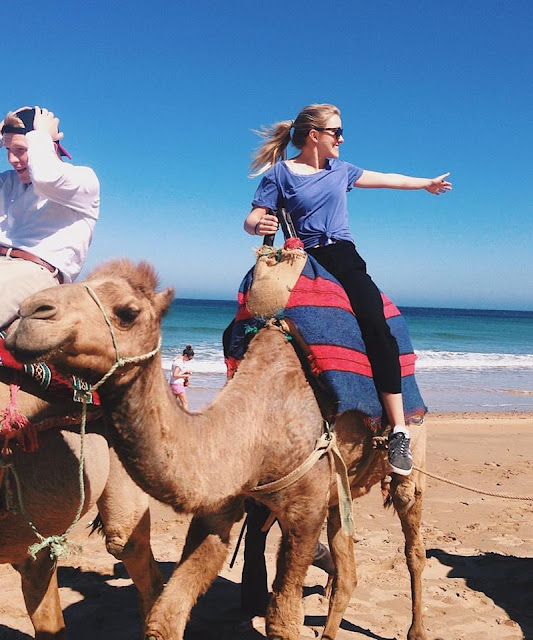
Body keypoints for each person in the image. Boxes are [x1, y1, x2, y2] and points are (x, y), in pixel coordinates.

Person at [244, 103, 452, 476]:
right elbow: (253, 217)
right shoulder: (280, 174)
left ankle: (398, 429)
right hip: (301, 260)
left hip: (343, 257)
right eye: (336, 132)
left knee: (377, 326)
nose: (342, 139)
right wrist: (257, 225)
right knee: (256, 325)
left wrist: (425, 183)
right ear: (314, 135)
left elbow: (387, 178)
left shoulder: (341, 171)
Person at [0, 106, 100, 329]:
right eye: (7, 150)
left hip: (34, 271)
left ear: (46, 144)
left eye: (20, 150)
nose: (12, 159)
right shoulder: (8, 182)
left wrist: (41, 134)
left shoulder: (83, 179)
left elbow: (45, 178)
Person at [169, 345, 195, 410]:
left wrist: (186, 371)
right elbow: (175, 374)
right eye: (189, 359)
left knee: (173, 403)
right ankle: (185, 416)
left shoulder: (177, 359)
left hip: (173, 383)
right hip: (178, 384)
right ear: (185, 355)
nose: (189, 360)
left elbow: (176, 371)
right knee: (185, 403)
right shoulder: (180, 363)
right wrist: (185, 376)